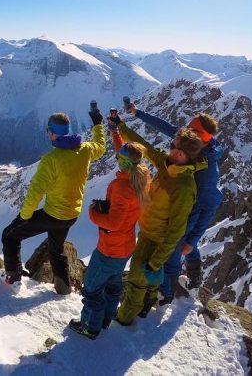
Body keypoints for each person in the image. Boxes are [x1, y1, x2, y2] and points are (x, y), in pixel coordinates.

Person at [1, 108, 106, 295]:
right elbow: (100, 146)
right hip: (72, 214)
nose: (47, 133)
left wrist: (24, 215)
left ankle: (13, 277)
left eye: (48, 130)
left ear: (52, 133)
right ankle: (63, 287)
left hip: (54, 214)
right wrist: (98, 125)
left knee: (10, 235)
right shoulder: (85, 150)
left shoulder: (51, 160)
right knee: (56, 247)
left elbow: (35, 192)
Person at [125, 104, 223, 303]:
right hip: (178, 209)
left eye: (190, 128)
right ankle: (193, 271)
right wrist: (138, 113)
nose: (183, 130)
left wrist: (192, 239)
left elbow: (210, 205)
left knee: (174, 255)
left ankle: (166, 295)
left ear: (199, 136)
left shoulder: (207, 171)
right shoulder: (191, 144)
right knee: (182, 247)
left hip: (187, 217)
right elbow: (165, 127)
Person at [113, 121, 203, 326]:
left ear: (181, 154)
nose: (168, 147)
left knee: (136, 278)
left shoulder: (184, 186)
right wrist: (121, 127)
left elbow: (177, 229)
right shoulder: (166, 164)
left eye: (172, 146)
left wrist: (156, 261)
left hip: (156, 239)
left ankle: (123, 319)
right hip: (146, 230)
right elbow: (145, 146)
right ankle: (146, 304)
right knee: (146, 280)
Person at [69, 115, 150, 339]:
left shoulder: (122, 187)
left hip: (109, 248)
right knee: (113, 286)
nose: (117, 159)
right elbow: (124, 153)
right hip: (125, 248)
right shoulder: (141, 174)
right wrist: (115, 133)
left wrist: (94, 213)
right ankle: (105, 320)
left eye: (120, 158)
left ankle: (90, 327)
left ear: (125, 163)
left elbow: (113, 223)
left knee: (92, 288)